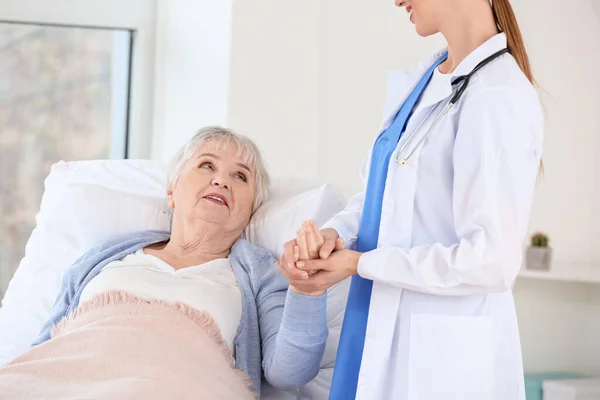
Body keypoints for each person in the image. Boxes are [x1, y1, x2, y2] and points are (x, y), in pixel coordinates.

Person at [279, 0, 543, 399]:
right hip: (372, 324)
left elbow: (491, 260)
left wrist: (361, 263)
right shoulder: (426, 80)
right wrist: (335, 235)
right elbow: (379, 198)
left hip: (438, 358)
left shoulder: (497, 94)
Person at [0, 126, 328, 400]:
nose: (221, 181)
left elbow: (289, 373)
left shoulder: (262, 272)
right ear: (172, 192)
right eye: (207, 166)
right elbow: (46, 349)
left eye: (240, 176)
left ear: (251, 210)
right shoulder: (102, 257)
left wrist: (307, 292)